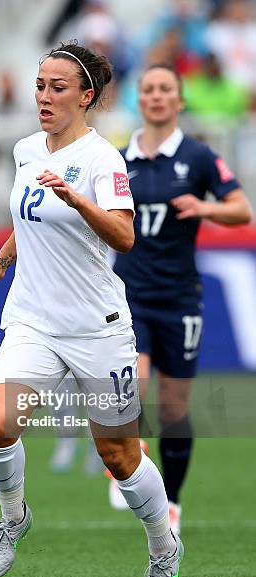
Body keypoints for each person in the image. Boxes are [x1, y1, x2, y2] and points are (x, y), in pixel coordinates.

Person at [0, 42, 184, 577]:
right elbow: (29, 217)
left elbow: (125, 236)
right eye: (40, 85)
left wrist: (77, 199)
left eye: (57, 88)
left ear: (86, 96)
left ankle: (163, 547)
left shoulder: (103, 159)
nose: (44, 97)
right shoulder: (24, 150)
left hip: (97, 326)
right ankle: (13, 517)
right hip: (33, 320)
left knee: (120, 455)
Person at [112, 63, 252, 533]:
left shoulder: (197, 158)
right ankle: (132, 454)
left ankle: (171, 501)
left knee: (173, 409)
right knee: (137, 383)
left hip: (179, 297)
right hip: (128, 293)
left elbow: (241, 209)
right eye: (147, 89)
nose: (155, 96)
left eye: (164, 89)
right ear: (140, 99)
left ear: (179, 100)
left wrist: (204, 206)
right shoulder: (116, 160)